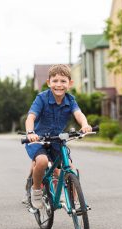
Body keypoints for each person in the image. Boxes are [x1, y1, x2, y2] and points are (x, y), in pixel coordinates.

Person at [24, 64, 92, 209]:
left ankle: (75, 202)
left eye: (63, 81)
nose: (59, 85)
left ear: (70, 83)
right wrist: (30, 133)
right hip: (38, 141)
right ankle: (36, 191)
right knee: (41, 162)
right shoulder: (42, 98)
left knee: (70, 169)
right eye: (55, 81)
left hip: (57, 141)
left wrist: (85, 125)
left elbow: (78, 114)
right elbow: (30, 117)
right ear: (49, 82)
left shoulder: (70, 100)